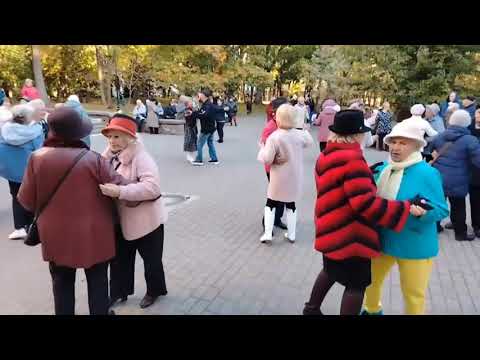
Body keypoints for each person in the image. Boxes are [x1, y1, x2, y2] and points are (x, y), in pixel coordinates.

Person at [17, 107, 129, 315]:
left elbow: (26, 201)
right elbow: (121, 188)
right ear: (78, 132)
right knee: (97, 282)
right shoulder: (94, 159)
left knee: (61, 284)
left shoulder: (37, 158)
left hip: (55, 235)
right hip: (94, 234)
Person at [303, 110, 414, 316]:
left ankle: (311, 309)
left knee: (330, 270)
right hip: (351, 235)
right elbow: (365, 204)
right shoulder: (353, 160)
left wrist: (366, 174)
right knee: (356, 285)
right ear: (357, 135)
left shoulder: (328, 153)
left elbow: (338, 183)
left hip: (330, 227)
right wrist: (404, 208)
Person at [361, 121, 449, 315]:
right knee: (369, 282)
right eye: (393, 142)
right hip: (383, 239)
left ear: (416, 146)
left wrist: (425, 213)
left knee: (413, 294)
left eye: (403, 143)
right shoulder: (383, 168)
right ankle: (372, 310)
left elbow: (442, 209)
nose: (395, 147)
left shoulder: (428, 173)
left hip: (414, 244)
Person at [99, 114, 168, 309]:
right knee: (119, 260)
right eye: (110, 137)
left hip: (147, 222)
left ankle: (154, 291)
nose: (112, 141)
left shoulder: (142, 157)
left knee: (152, 261)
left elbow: (152, 188)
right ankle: (119, 292)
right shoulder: (108, 156)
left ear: (129, 137)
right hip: (120, 220)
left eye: (117, 136)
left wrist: (121, 191)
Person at [257, 104, 313, 244]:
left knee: (271, 202)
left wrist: (262, 149)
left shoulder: (274, 137)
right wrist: (303, 129)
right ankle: (292, 234)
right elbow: (309, 142)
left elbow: (267, 159)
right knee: (291, 204)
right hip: (294, 175)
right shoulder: (299, 135)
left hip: (278, 176)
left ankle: (268, 233)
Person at [430, 110, 480, 240]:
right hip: (458, 179)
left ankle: (435, 227)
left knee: (438, 202)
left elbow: (430, 150)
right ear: (467, 123)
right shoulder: (470, 140)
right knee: (458, 206)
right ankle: (460, 233)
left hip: (438, 176)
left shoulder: (440, 136)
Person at [0, 105, 44, 240]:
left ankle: (19, 227)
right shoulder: (35, 131)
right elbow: (40, 150)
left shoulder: (4, 131)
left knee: (16, 196)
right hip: (30, 169)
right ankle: (32, 225)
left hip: (11, 171)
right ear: (26, 117)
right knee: (32, 196)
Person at [259, 97, 290, 231]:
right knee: (274, 195)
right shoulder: (270, 127)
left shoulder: (284, 125)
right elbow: (266, 151)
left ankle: (277, 219)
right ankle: (267, 222)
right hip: (273, 167)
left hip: (284, 166)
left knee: (282, 194)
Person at [192, 88, 219, 166]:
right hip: (211, 127)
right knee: (210, 143)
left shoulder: (207, 105)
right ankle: (214, 159)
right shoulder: (207, 104)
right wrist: (195, 112)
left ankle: (199, 160)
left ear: (203, 95)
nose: (198, 95)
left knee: (199, 144)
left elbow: (203, 115)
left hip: (207, 128)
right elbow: (201, 112)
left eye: (200, 94)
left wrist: (194, 114)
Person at [468, 107, 480, 238]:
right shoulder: (468, 128)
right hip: (469, 168)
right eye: (478, 112)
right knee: (473, 199)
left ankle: (478, 226)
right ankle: (457, 221)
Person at [183, 98, 198, 163]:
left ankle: (191, 155)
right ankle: (189, 155)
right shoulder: (187, 110)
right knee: (189, 141)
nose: (192, 103)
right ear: (187, 104)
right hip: (189, 127)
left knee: (193, 140)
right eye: (190, 103)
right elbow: (189, 116)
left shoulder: (191, 109)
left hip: (193, 126)